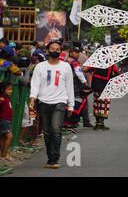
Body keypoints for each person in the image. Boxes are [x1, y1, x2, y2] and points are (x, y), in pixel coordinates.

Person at [28, 39, 75, 169]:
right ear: (47, 50)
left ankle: (55, 158)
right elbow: (35, 84)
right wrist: (32, 98)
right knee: (47, 132)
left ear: (60, 51)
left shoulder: (65, 67)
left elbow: (69, 86)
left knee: (56, 128)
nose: (55, 51)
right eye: (53, 49)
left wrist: (71, 105)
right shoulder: (40, 66)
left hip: (60, 102)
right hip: (43, 102)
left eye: (58, 49)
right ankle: (50, 157)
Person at [89, 64, 119, 130]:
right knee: (104, 105)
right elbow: (117, 73)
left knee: (97, 104)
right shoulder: (111, 64)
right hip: (106, 87)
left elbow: (87, 69)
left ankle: (97, 124)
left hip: (96, 85)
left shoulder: (96, 62)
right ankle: (101, 124)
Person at [0, 82, 13, 161]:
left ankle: (3, 154)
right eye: (9, 89)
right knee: (9, 136)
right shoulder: (2, 98)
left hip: (7, 120)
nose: (11, 91)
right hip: (4, 120)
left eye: (11, 89)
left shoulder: (7, 98)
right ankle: (4, 155)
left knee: (3, 137)